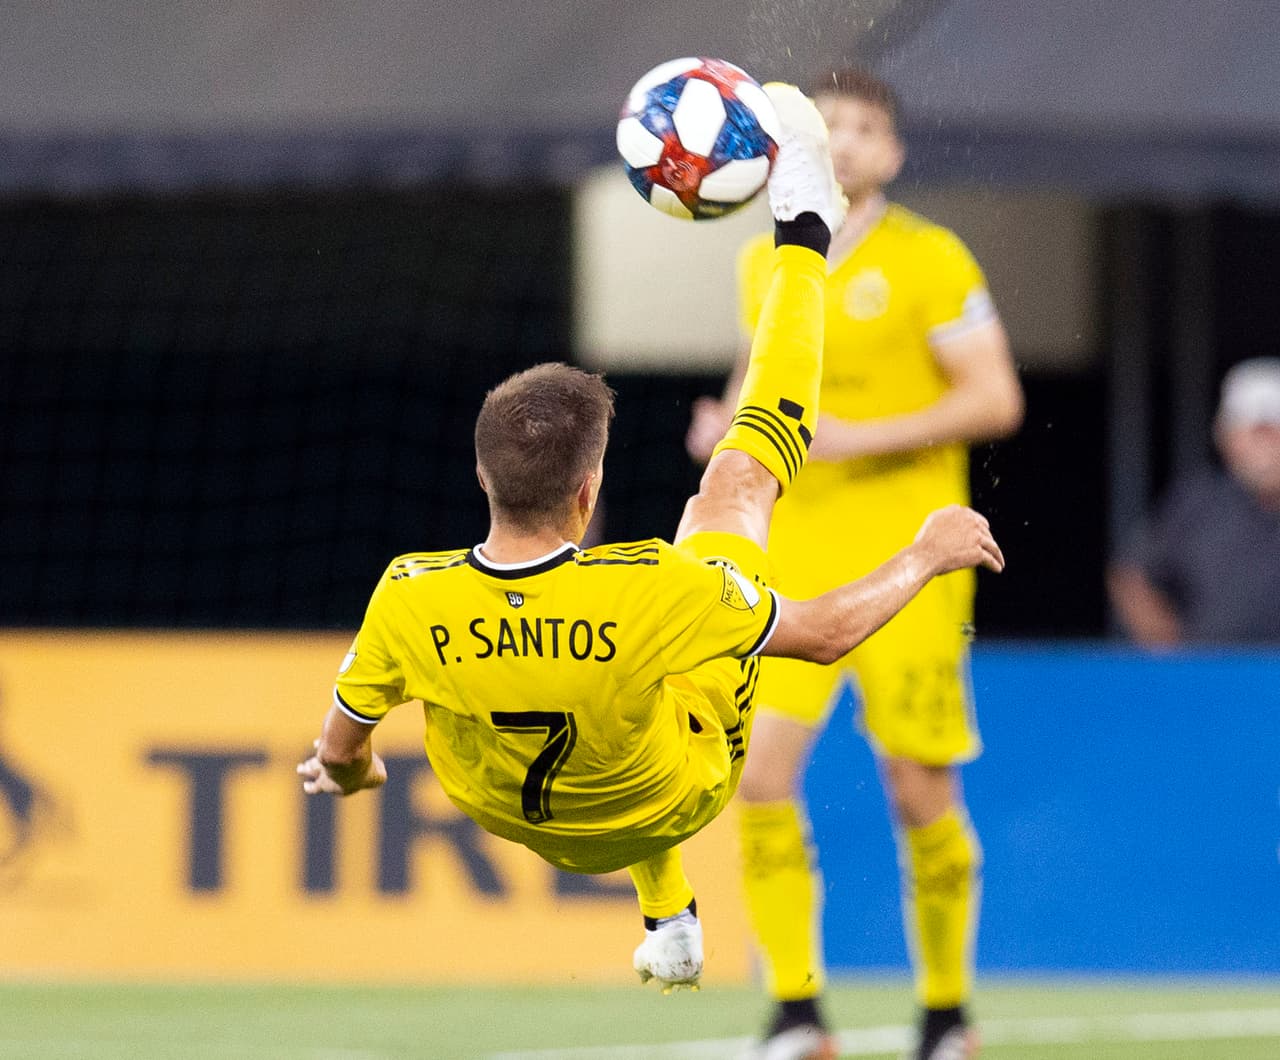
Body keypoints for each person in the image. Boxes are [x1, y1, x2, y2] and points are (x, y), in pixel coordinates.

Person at [297, 83, 1005, 996]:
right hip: (671, 796)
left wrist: (352, 781)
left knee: (595, 685)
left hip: (516, 822)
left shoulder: (406, 592)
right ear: (590, 491)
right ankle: (807, 232)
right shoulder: (656, 586)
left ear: (481, 478)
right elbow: (824, 631)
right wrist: (928, 550)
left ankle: (679, 916)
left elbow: (344, 753)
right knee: (735, 491)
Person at [686, 69, 1023, 1060]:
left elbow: (994, 397)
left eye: (862, 127)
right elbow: (761, 375)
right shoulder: (766, 258)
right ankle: (794, 1012)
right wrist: (725, 432)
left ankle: (944, 1013)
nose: (840, 138)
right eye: (825, 122)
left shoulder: (929, 258)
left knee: (915, 787)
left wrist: (854, 436)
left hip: (908, 555)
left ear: (891, 153)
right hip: (791, 548)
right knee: (753, 774)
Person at [1108, 357, 1280, 645]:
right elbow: (1130, 576)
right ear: (1225, 437)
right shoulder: (1195, 505)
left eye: (1272, 432)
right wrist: (1173, 654)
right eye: (1252, 431)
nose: (1263, 445)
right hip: (1208, 682)